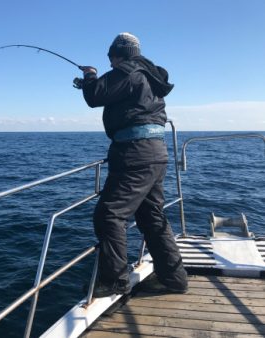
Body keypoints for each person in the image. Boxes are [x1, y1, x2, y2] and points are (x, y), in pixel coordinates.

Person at [75, 32, 188, 297]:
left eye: (111, 58)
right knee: (151, 216)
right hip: (156, 152)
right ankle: (174, 279)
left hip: (134, 153)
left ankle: (114, 280)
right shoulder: (149, 75)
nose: (111, 64)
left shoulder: (127, 70)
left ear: (118, 54)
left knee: (109, 215)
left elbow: (96, 96)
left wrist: (91, 76)